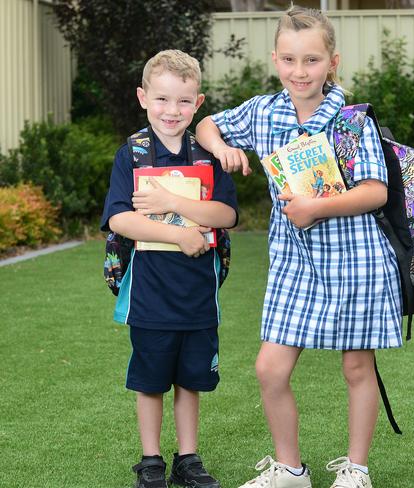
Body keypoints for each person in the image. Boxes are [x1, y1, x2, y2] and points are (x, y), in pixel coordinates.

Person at [196, 7, 402, 488]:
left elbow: (376, 192)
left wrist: (314, 208)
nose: (299, 71)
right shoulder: (265, 111)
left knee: (356, 366)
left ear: (333, 62)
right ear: (275, 59)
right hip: (294, 262)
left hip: (356, 258)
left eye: (311, 60)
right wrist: (224, 148)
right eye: (289, 59)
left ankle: (356, 470)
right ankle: (290, 471)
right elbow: (208, 124)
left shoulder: (352, 121)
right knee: (270, 368)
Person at [101, 49, 238, 488]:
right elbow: (120, 218)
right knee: (150, 378)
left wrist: (174, 205)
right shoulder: (134, 154)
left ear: (198, 103)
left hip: (199, 290)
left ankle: (188, 458)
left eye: (182, 101)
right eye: (161, 99)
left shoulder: (209, 155)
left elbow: (227, 215)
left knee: (190, 378)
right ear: (143, 97)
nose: (171, 111)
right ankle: (151, 460)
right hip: (150, 291)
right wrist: (178, 233)